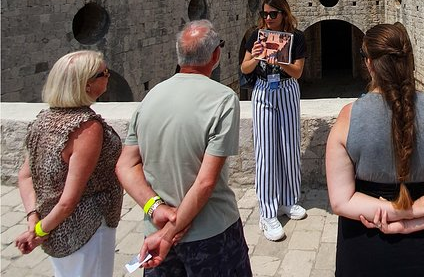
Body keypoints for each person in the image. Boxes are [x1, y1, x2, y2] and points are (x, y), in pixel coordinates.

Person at [326, 23, 424, 277]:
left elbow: (342, 201)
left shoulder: (348, 118)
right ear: (408, 62)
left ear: (370, 64)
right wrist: (412, 217)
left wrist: (397, 213)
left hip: (367, 247)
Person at [116, 20, 252, 275]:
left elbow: (126, 164)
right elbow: (204, 183)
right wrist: (170, 233)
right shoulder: (223, 99)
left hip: (155, 234)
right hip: (211, 232)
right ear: (216, 55)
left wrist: (154, 208)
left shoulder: (151, 96)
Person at [15, 51, 122, 276]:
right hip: (87, 228)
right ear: (87, 85)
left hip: (54, 226)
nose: (108, 76)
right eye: (104, 73)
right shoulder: (87, 128)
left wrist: (34, 220)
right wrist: (38, 231)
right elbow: (68, 201)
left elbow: (25, 176)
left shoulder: (43, 120)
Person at [240, 0, 307, 241]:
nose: (268, 18)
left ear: (284, 14)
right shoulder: (255, 37)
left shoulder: (297, 38)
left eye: (273, 14)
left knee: (290, 147)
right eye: (264, 14)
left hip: (288, 89)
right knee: (266, 152)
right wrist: (258, 56)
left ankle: (289, 200)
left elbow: (298, 71)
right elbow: (244, 68)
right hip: (263, 90)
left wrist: (279, 58)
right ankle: (267, 213)